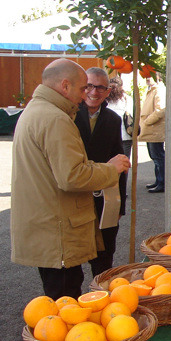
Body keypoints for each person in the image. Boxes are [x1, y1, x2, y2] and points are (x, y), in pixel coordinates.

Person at [10, 59, 130, 299]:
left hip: (49, 223)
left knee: (61, 293)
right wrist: (110, 169)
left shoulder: (36, 110)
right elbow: (72, 176)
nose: (86, 94)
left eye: (97, 88)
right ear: (65, 86)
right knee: (65, 297)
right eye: (84, 88)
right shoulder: (55, 118)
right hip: (57, 228)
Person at [75, 67, 127, 277]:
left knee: (104, 256)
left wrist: (120, 204)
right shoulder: (67, 116)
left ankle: (101, 290)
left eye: (100, 88)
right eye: (89, 86)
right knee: (73, 258)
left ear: (108, 91)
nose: (94, 92)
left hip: (104, 197)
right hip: (75, 194)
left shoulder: (113, 120)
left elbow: (120, 162)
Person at [139, 77, 165, 193]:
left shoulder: (159, 90)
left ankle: (162, 183)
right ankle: (158, 181)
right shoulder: (152, 89)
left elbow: (160, 110)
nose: (147, 78)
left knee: (158, 157)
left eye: (150, 75)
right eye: (146, 76)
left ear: (157, 77)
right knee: (155, 157)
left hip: (154, 130)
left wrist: (147, 121)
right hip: (151, 130)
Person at [106, 76, 133, 158]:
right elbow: (131, 115)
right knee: (123, 160)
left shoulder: (106, 99)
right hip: (123, 136)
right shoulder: (127, 99)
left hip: (116, 136)